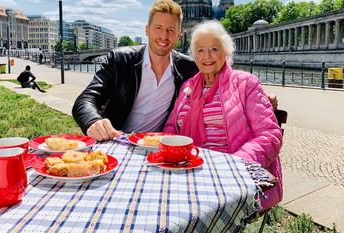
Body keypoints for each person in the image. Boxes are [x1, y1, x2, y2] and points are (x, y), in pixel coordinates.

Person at [72, 0, 277, 141]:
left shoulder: (188, 68)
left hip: (157, 150)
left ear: (179, 35)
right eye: (158, 28)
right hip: (116, 143)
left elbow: (220, 77)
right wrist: (93, 121)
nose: (164, 36)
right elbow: (86, 99)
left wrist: (256, 96)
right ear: (147, 30)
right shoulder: (120, 59)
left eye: (171, 30)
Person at [163, 21, 282, 211]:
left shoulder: (246, 83)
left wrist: (232, 166)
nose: (207, 56)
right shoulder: (187, 87)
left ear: (226, 51)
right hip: (187, 172)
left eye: (214, 49)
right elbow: (171, 129)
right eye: (200, 50)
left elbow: (270, 135)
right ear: (194, 55)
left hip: (231, 180)